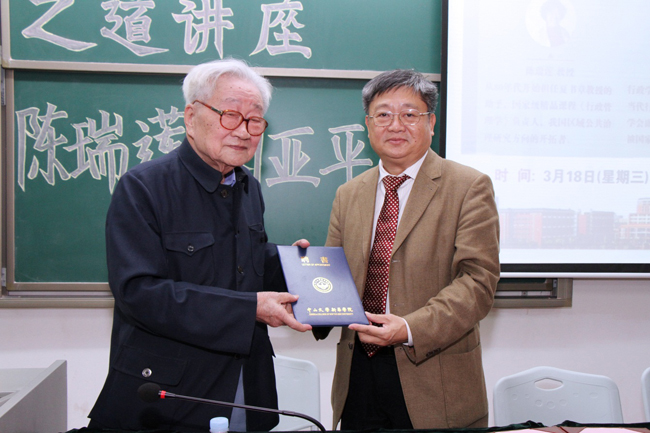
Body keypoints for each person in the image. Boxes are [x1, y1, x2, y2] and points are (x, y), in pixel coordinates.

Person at [88, 58, 311, 432]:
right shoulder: (144, 186)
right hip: (170, 395)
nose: (243, 131)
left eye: (255, 120)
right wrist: (250, 309)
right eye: (230, 115)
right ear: (191, 117)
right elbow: (139, 293)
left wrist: (295, 265)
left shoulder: (248, 187)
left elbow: (243, 262)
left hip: (244, 384)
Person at [315, 69, 500, 429]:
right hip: (358, 375)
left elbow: (477, 282)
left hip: (434, 376)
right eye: (383, 114)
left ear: (431, 123)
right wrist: (306, 277)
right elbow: (334, 276)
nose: (395, 125)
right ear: (368, 125)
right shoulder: (349, 193)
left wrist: (408, 328)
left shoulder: (468, 186)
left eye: (409, 114)